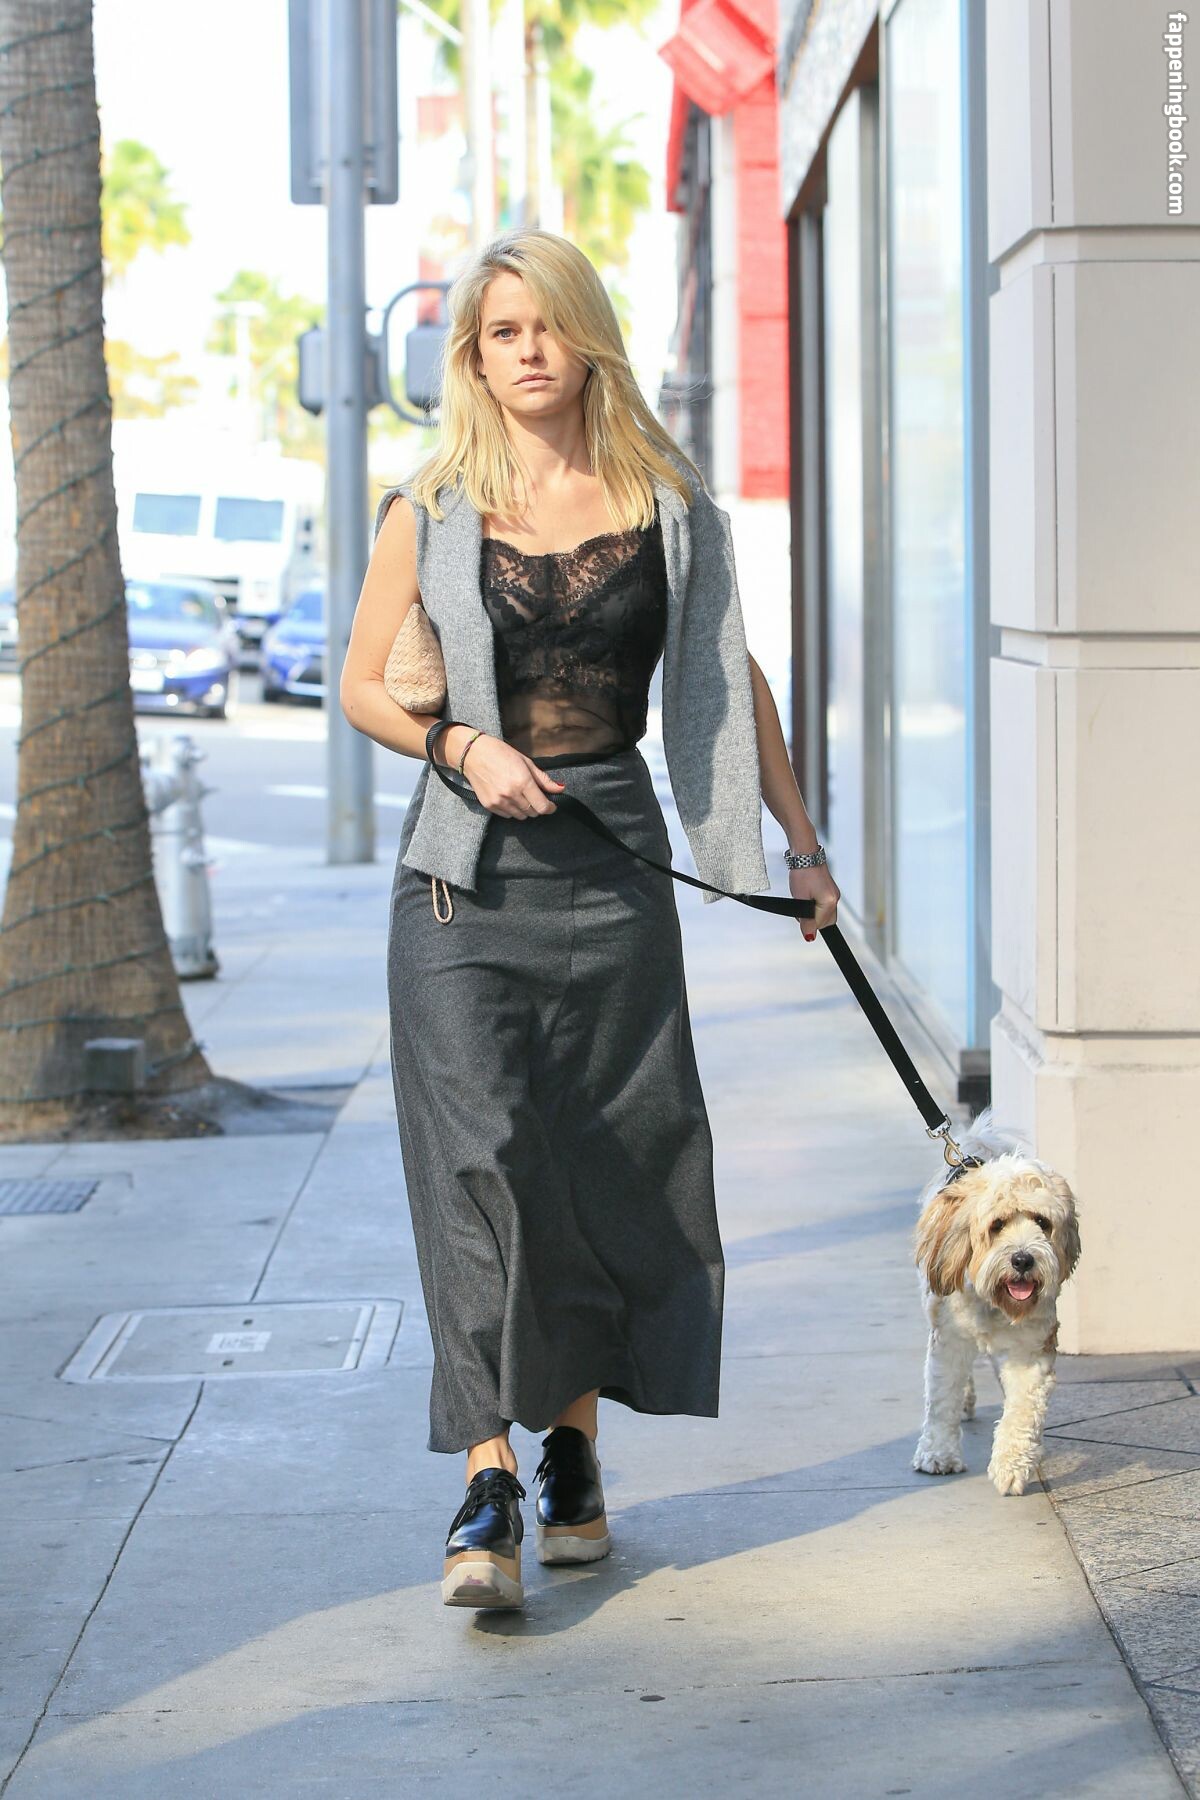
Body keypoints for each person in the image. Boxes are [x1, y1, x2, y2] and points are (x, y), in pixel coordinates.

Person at [340, 228, 840, 1612]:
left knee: (599, 1166)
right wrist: (461, 747)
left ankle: (572, 1459)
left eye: (546, 325)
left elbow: (731, 678)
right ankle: (485, 1482)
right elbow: (364, 685)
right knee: (480, 1164)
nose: (528, 352)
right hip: (463, 878)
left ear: (586, 337)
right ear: (474, 356)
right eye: (501, 333)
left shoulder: (665, 503)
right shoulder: (431, 506)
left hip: (614, 866)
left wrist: (799, 846)